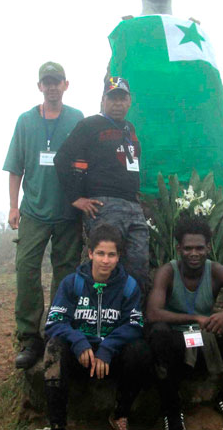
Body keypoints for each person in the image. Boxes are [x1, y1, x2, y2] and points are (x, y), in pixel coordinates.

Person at [107, 0, 223, 209]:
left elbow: (211, 109)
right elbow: (112, 100)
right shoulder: (128, 34)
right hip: (143, 174)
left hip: (201, 175)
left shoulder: (196, 35)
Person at [3, 61, 84, 369]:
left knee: (65, 274)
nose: (51, 86)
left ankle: (57, 331)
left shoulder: (76, 118)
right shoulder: (25, 121)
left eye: (56, 81)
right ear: (39, 86)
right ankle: (29, 337)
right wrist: (13, 205)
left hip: (67, 212)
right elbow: (15, 168)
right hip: (34, 211)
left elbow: (84, 161)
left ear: (66, 84)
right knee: (26, 269)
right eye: (46, 82)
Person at [146, 216, 223, 430]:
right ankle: (171, 410)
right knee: (158, 332)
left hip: (205, 341)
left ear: (208, 247)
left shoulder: (217, 271)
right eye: (188, 248)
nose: (194, 254)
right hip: (178, 346)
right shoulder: (168, 272)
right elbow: (153, 313)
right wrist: (194, 318)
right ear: (179, 248)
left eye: (199, 248)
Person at [43, 223, 151, 430]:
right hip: (80, 356)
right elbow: (55, 321)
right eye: (100, 253)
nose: (105, 260)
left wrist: (108, 347)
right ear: (90, 253)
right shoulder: (71, 283)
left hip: (111, 359)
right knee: (54, 348)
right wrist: (78, 341)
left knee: (140, 351)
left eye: (111, 255)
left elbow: (135, 324)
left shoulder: (128, 286)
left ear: (118, 256)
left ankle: (120, 414)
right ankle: (57, 423)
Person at [54, 76, 149, 291]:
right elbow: (61, 159)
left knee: (139, 266)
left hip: (133, 207)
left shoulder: (130, 128)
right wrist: (75, 198)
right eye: (112, 98)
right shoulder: (89, 124)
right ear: (103, 100)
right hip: (104, 206)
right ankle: (100, 317)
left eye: (122, 98)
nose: (117, 103)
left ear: (129, 101)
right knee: (105, 267)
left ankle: (133, 318)